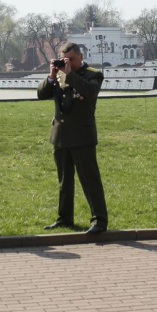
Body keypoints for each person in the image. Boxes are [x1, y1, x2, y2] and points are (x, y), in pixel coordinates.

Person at [37, 42, 108, 235]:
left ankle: (99, 220)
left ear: (81, 57)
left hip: (82, 135)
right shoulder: (58, 74)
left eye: (72, 59)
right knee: (64, 181)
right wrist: (52, 76)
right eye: (64, 59)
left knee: (90, 180)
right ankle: (64, 217)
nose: (68, 63)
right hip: (60, 135)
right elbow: (41, 94)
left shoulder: (93, 74)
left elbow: (89, 92)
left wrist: (69, 74)